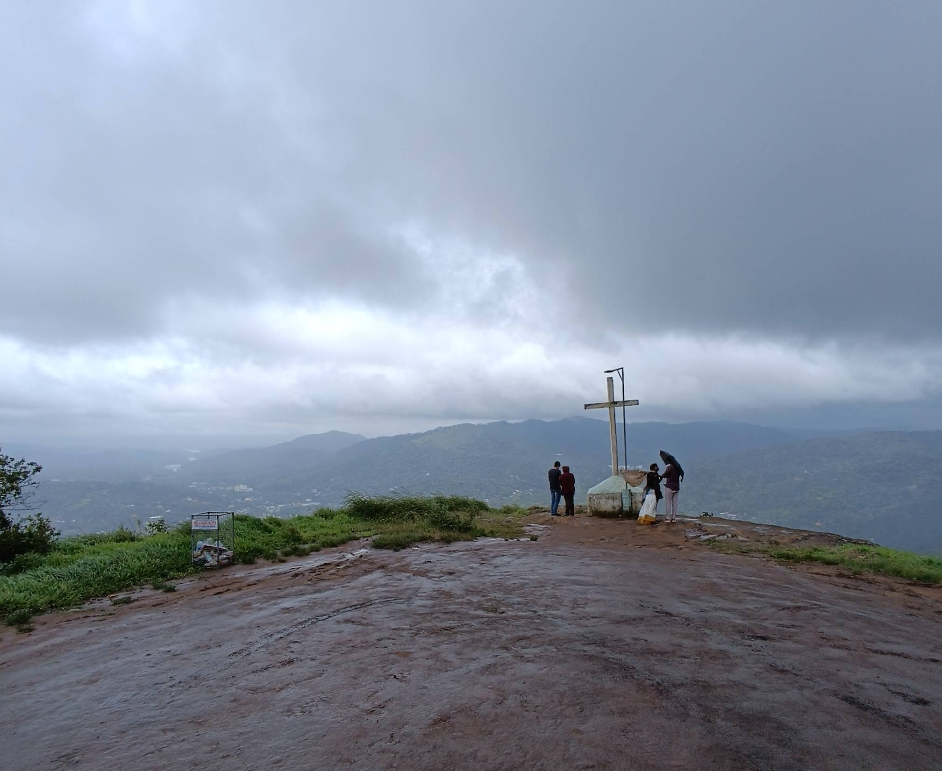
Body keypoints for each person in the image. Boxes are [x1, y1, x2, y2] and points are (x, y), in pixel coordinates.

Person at [659, 450, 684, 523]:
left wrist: (660, 476)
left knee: (668, 502)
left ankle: (668, 517)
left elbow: (664, 475)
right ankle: (674, 518)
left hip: (669, 486)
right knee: (675, 503)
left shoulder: (669, 468)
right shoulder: (678, 468)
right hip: (676, 487)